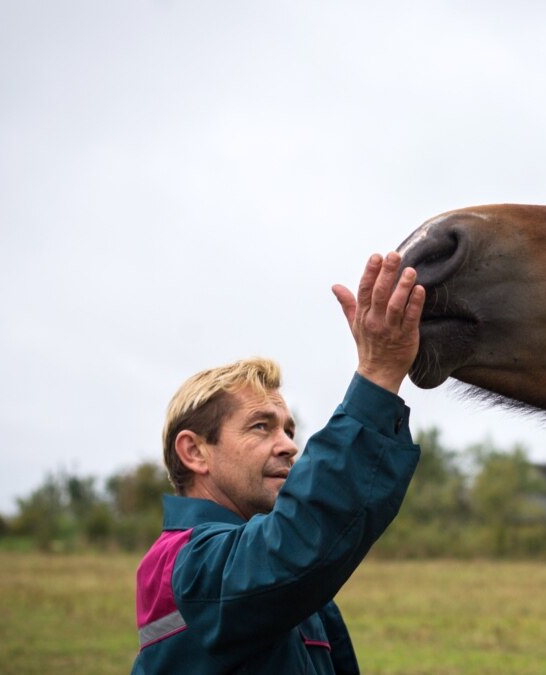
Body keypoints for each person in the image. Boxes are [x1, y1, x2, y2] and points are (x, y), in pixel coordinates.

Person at [132, 252, 426, 674]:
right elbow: (295, 541)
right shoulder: (185, 566)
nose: (288, 445)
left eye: (288, 429)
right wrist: (377, 376)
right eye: (260, 427)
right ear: (194, 452)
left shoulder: (265, 573)